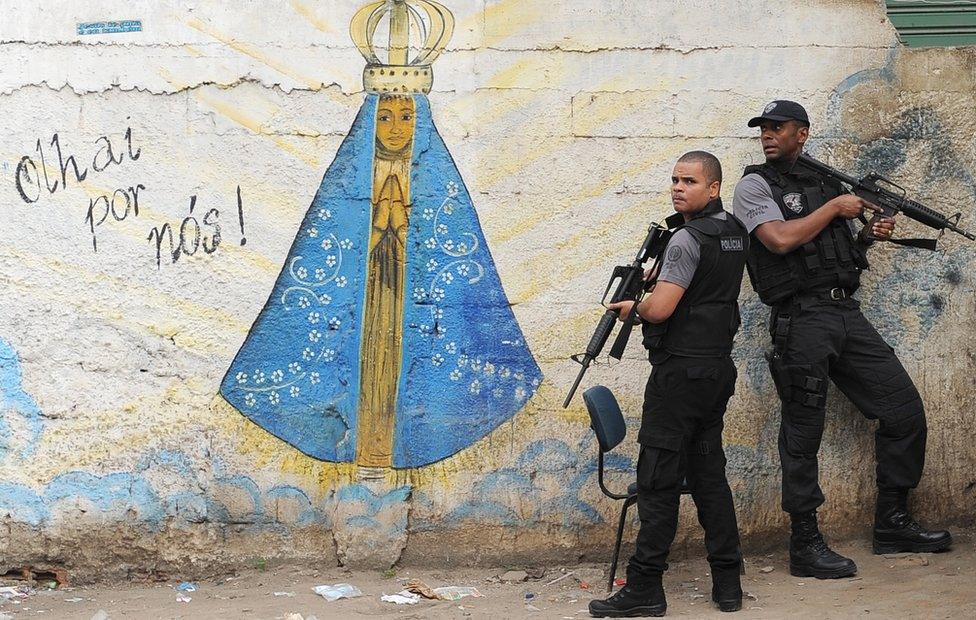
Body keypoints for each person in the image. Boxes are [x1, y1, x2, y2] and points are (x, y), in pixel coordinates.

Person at [731, 100, 951, 580]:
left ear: (802, 134)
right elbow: (779, 241)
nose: (767, 135)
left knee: (903, 411)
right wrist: (836, 208)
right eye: (763, 129)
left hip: (846, 313)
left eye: (778, 127)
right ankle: (804, 544)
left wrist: (870, 234)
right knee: (803, 434)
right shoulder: (754, 186)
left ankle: (892, 524)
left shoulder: (827, 183)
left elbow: (839, 252)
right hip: (801, 318)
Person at [589, 151, 748, 617]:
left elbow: (660, 310)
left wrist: (633, 308)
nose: (679, 188)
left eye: (690, 181)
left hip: (679, 375)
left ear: (713, 188)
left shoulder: (684, 240)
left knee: (657, 481)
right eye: (675, 180)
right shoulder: (735, 232)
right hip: (716, 370)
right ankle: (727, 585)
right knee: (709, 477)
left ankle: (644, 589)